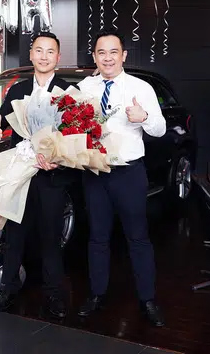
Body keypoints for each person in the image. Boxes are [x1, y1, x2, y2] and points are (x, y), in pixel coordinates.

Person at [76, 29, 166, 327]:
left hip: (129, 173)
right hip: (95, 172)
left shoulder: (141, 88)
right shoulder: (83, 88)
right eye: (101, 53)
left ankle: (148, 299)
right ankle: (97, 294)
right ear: (94, 57)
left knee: (138, 237)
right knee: (97, 237)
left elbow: (160, 129)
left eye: (113, 52)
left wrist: (144, 118)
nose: (107, 58)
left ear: (123, 55)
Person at [0, 31, 75, 318]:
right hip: (20, 175)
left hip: (52, 178)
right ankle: (8, 290)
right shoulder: (17, 89)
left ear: (58, 57)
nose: (44, 56)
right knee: (14, 236)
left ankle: (54, 295)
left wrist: (58, 160)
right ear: (31, 55)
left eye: (50, 51)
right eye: (39, 50)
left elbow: (76, 138)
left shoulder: (69, 92)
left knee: (51, 238)